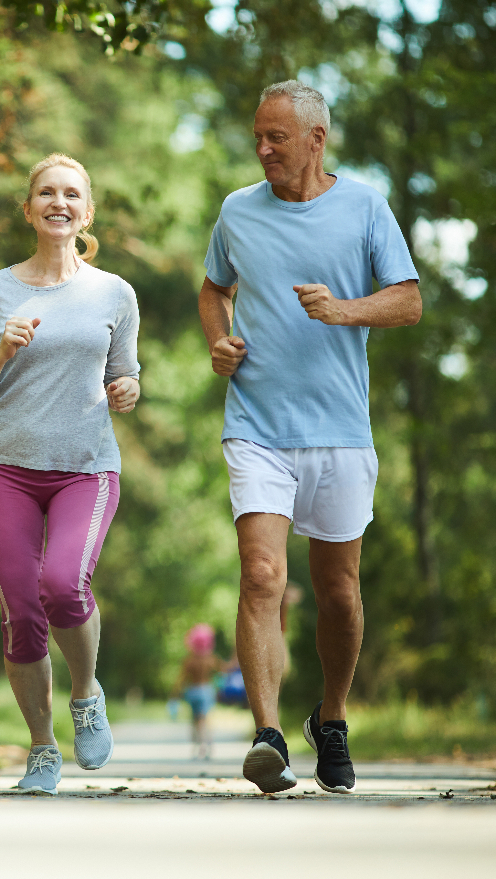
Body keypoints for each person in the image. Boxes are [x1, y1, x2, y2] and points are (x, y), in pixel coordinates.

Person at [198, 81, 421, 794]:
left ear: (317, 140)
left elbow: (410, 300)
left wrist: (343, 308)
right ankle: (266, 736)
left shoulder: (363, 207)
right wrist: (219, 341)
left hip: (340, 431)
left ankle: (331, 716)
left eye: (277, 138)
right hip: (257, 424)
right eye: (258, 136)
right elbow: (213, 288)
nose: (262, 148)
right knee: (262, 574)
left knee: (339, 594)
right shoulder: (237, 210)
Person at [0, 153, 140, 795]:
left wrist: (126, 390)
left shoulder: (114, 292)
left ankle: (85, 695)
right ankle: (41, 747)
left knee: (62, 584)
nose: (59, 203)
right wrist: (2, 349)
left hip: (86, 470)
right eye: (47, 193)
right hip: (5, 468)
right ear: (28, 208)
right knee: (21, 611)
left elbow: (124, 372)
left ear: (87, 212)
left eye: (72, 194)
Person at [171, 623, 220, 759]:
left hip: (192, 691)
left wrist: (174, 695)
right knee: (204, 720)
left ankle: (196, 747)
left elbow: (181, 679)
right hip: (206, 690)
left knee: (194, 721)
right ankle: (208, 745)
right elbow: (223, 670)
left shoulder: (189, 660)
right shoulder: (210, 659)